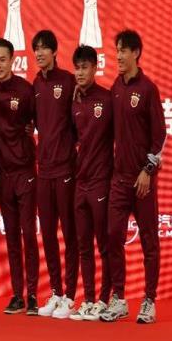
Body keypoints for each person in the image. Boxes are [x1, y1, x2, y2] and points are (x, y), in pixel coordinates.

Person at [101, 30, 166, 324]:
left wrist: (147, 171)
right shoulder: (115, 87)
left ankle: (149, 300)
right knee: (112, 235)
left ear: (136, 53)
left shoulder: (148, 89)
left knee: (149, 241)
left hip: (143, 182)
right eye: (117, 50)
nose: (118, 56)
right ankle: (119, 298)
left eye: (124, 50)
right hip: (119, 179)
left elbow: (159, 135)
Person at [0, 38, 39, 315]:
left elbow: (41, 120)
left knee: (28, 234)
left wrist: (32, 129)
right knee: (12, 238)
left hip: (26, 172)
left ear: (12, 61)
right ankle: (18, 295)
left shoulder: (26, 90)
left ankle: (34, 295)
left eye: (2, 60)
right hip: (3, 174)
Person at [32, 30, 79, 319]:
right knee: (48, 234)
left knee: (69, 234)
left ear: (54, 52)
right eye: (36, 49)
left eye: (43, 48)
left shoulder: (68, 81)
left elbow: (77, 123)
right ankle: (56, 292)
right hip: (44, 170)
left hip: (65, 170)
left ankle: (71, 296)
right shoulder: (36, 84)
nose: (39, 53)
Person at [69, 45, 112, 321]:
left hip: (101, 182)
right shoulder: (74, 101)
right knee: (83, 245)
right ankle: (87, 299)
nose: (80, 73)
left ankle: (105, 300)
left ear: (95, 68)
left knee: (104, 245)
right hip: (80, 182)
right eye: (77, 68)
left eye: (85, 67)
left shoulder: (107, 99)